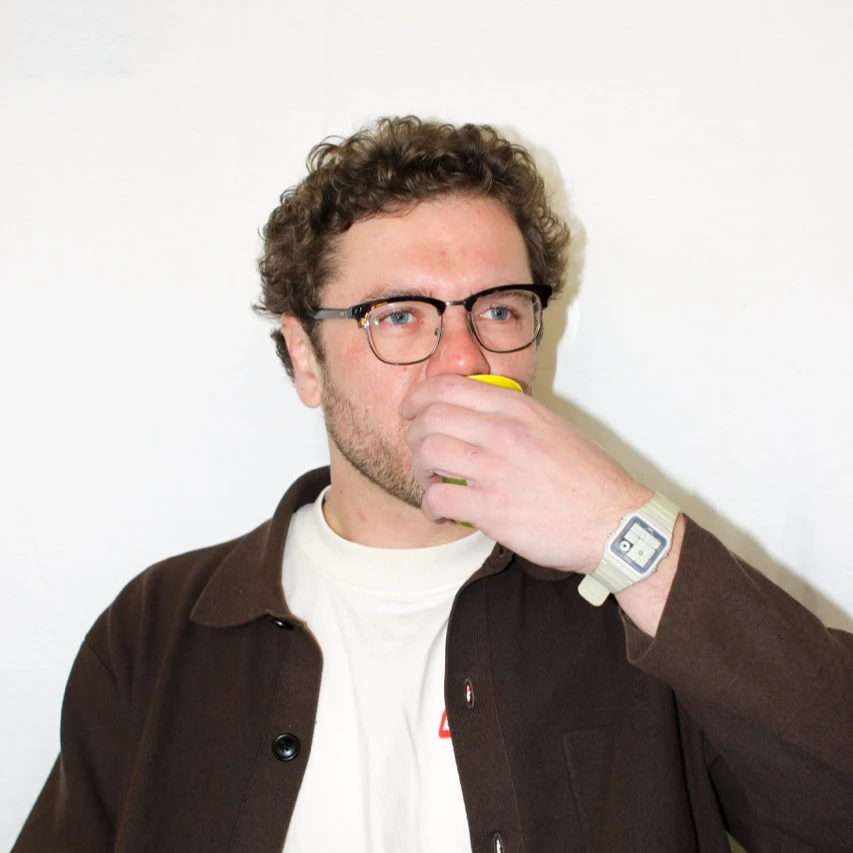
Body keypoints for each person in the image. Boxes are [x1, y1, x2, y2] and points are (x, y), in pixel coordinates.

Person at [12, 117, 853, 853]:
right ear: (305, 356)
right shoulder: (158, 630)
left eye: (498, 309)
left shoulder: (638, 604)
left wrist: (623, 532)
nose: (462, 360)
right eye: (400, 315)